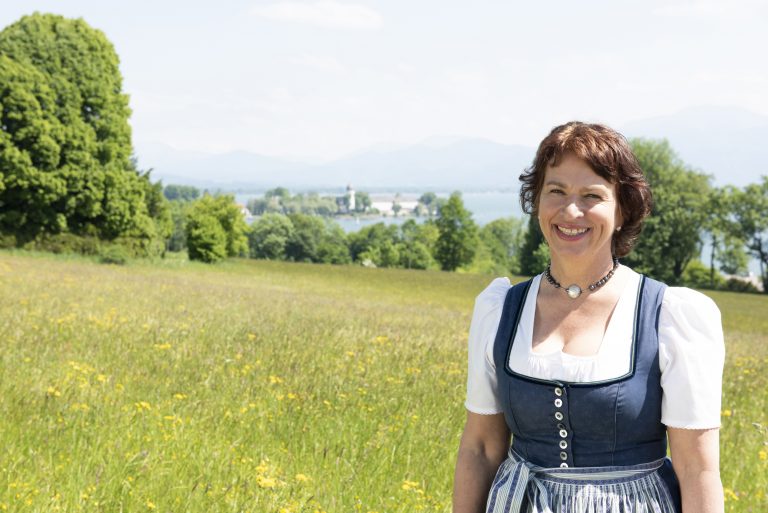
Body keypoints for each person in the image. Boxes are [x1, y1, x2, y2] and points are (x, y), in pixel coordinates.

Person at [452, 122, 725, 513]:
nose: (571, 210)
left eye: (592, 195)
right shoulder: (501, 310)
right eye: (556, 191)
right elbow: (480, 449)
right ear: (537, 200)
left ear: (622, 210)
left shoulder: (669, 316)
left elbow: (697, 469)